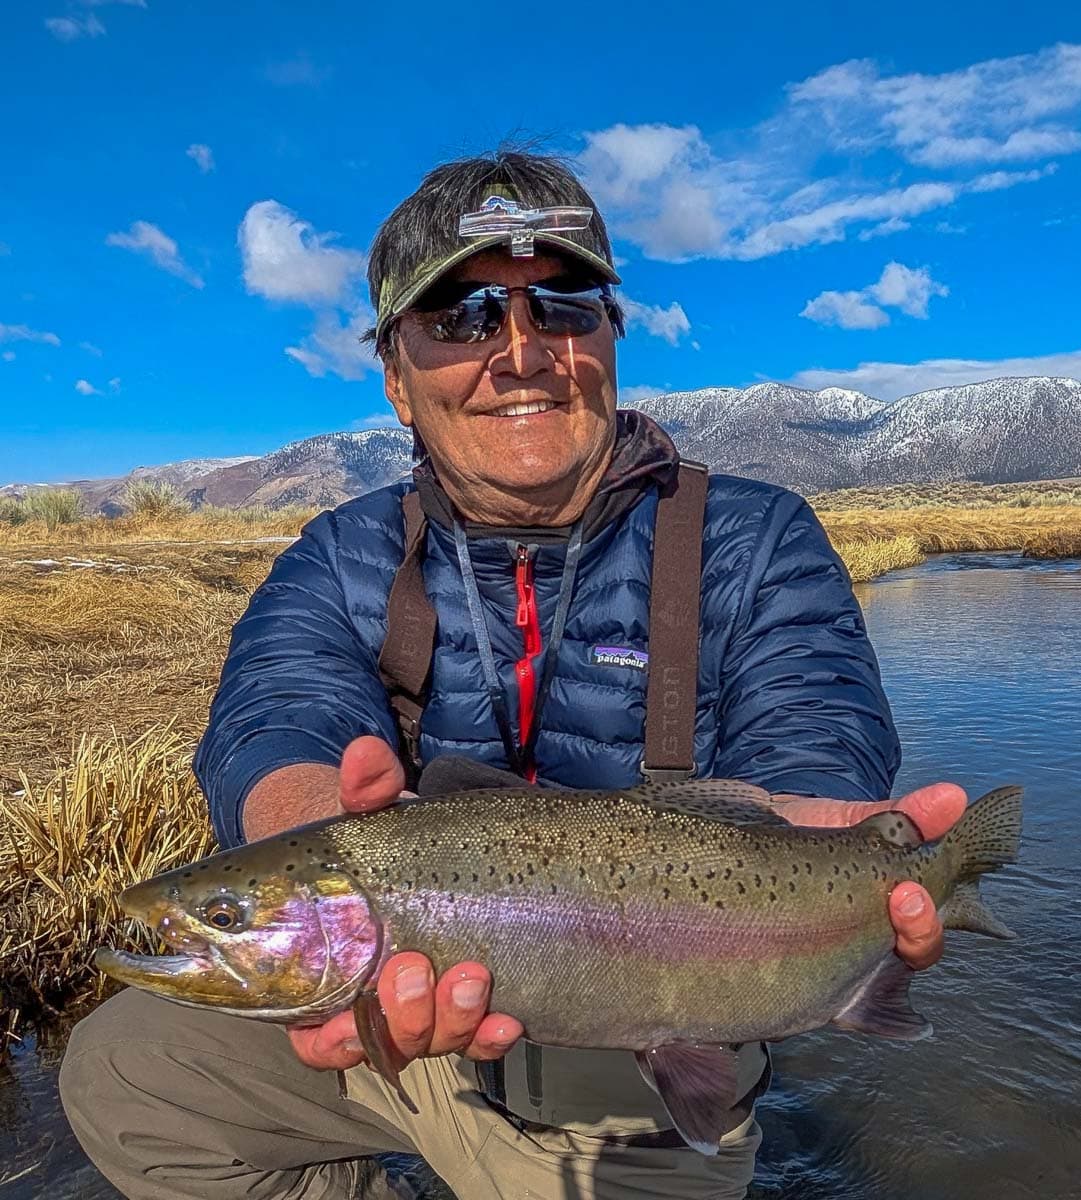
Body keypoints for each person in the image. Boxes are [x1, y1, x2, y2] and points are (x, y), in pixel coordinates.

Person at [60, 149, 965, 1200]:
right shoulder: (339, 555)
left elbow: (813, 718)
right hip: (372, 1017)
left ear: (611, 340)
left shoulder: (754, 538)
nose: (521, 351)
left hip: (636, 1070)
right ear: (395, 378)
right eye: (461, 316)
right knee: (128, 1070)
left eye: (564, 305)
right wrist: (305, 821)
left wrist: (825, 864)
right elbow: (278, 706)